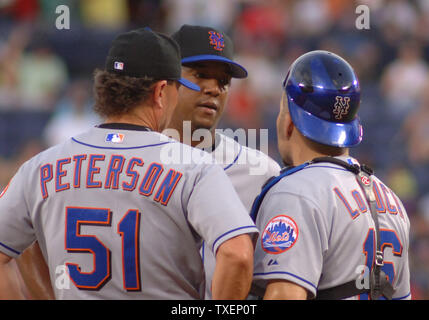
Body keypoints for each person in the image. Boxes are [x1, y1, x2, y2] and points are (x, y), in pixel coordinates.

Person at [0, 28, 258, 300]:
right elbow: (237, 254)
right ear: (161, 92)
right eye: (176, 88)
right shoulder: (193, 165)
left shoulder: (40, 165)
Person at [250, 50, 411, 300]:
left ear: (290, 121)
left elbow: (286, 296)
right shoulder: (391, 201)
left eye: (283, 110)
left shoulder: (296, 192)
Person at [167, 25, 281, 299]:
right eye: (201, 75)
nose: (214, 89)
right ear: (167, 79)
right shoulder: (133, 161)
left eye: (223, 82)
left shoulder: (261, 173)